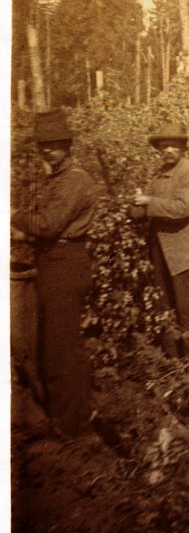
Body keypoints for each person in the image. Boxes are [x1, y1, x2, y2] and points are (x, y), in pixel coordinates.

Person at [11, 109, 100, 437]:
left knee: (61, 346)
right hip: (54, 261)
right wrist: (27, 229)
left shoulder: (74, 181)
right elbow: (42, 224)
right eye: (43, 145)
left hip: (65, 262)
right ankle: (68, 415)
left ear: (68, 145)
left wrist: (15, 216)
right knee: (56, 343)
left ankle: (71, 424)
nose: (48, 150)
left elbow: (47, 224)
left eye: (55, 144)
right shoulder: (58, 180)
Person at [132, 122, 189, 357]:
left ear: (183, 148)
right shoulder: (159, 175)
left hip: (186, 251)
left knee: (188, 309)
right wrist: (135, 207)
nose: (168, 150)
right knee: (164, 305)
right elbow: (147, 209)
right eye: (163, 146)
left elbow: (181, 209)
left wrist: (148, 202)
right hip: (161, 250)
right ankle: (173, 363)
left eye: (173, 146)